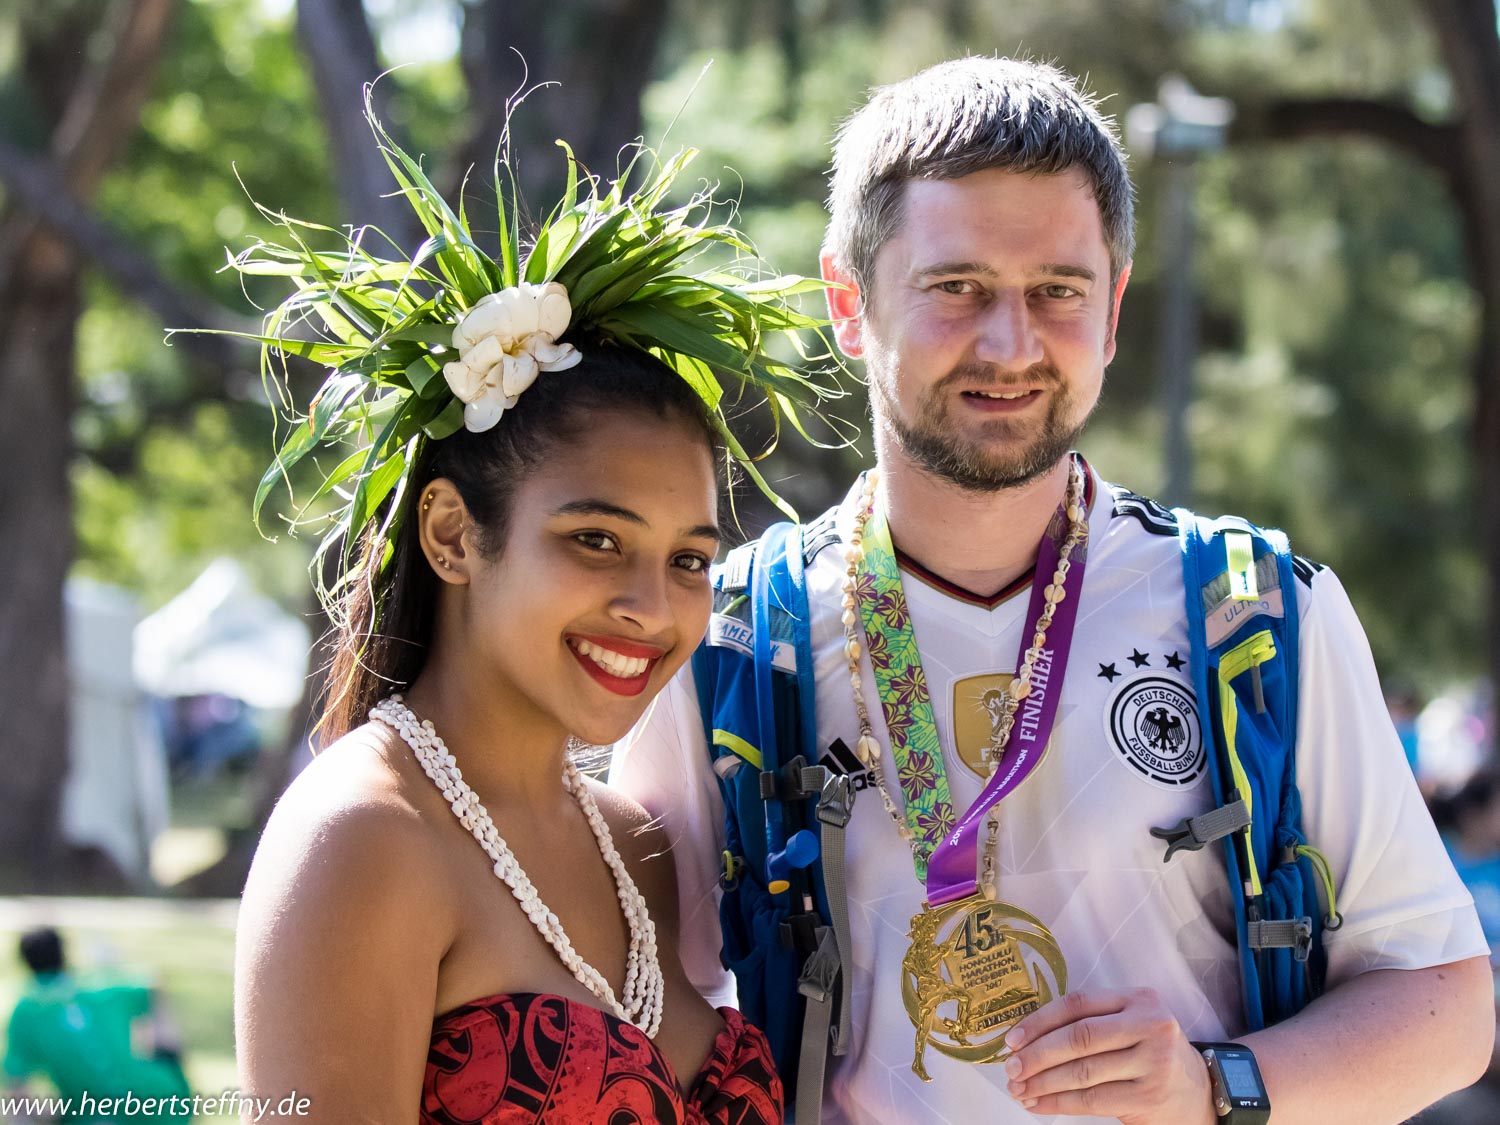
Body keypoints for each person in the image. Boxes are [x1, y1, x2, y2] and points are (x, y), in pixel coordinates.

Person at [610, 56, 1495, 1124]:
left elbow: (1448, 1003)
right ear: (850, 302)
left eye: (1057, 291)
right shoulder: (733, 640)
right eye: (956, 287)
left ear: (1112, 310)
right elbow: (633, 1006)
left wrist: (1216, 1086)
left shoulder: (1260, 611)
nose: (1010, 344)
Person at [229, 109, 844, 1122]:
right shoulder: (363, 840)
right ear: (452, 535)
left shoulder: (638, 849)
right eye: (596, 539)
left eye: (689, 559)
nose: (650, 607)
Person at [2, 927, 191, 1121]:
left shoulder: (27, 1010)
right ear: (64, 953)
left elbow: (16, 1088)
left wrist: (44, 1117)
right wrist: (167, 1054)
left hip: (91, 1112)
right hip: (162, 1101)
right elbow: (152, 985)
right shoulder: (100, 985)